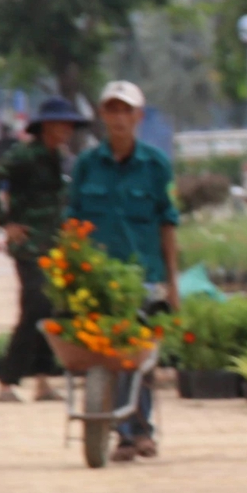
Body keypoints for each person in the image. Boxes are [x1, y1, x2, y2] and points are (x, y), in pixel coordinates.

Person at [67, 81, 178, 462]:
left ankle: (138, 431)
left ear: (138, 117)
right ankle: (119, 430)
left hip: (142, 278)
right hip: (97, 281)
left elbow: (167, 224)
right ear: (102, 116)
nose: (118, 118)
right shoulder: (86, 166)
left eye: (125, 111)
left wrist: (172, 285)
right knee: (104, 358)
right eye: (111, 110)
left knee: (137, 358)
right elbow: (73, 223)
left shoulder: (155, 165)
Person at [0, 96, 87, 403]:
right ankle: (7, 382)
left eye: (68, 124)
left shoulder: (60, 158)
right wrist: (5, 222)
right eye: (59, 124)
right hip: (29, 245)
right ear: (45, 126)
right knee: (34, 307)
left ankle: (42, 380)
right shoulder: (25, 155)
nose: (65, 129)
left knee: (50, 310)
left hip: (55, 244)